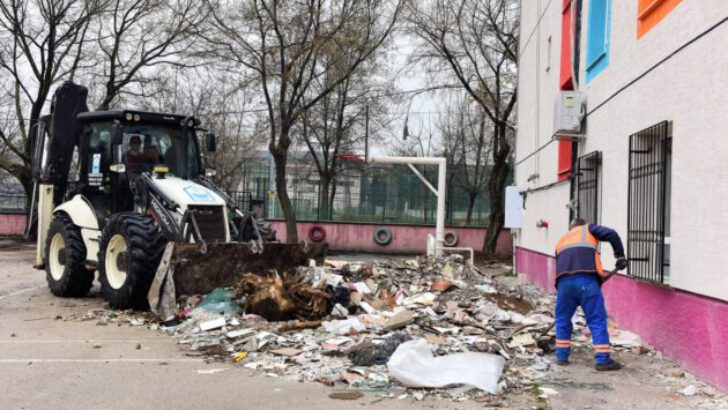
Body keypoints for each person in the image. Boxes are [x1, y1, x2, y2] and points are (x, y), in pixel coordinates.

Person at [554, 218, 628, 371]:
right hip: (585, 281)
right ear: (582, 224)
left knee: (562, 319)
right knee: (596, 319)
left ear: (570, 227)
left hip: (563, 284)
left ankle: (561, 356)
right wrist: (620, 256)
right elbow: (611, 234)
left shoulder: (561, 241)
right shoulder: (587, 229)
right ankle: (603, 360)